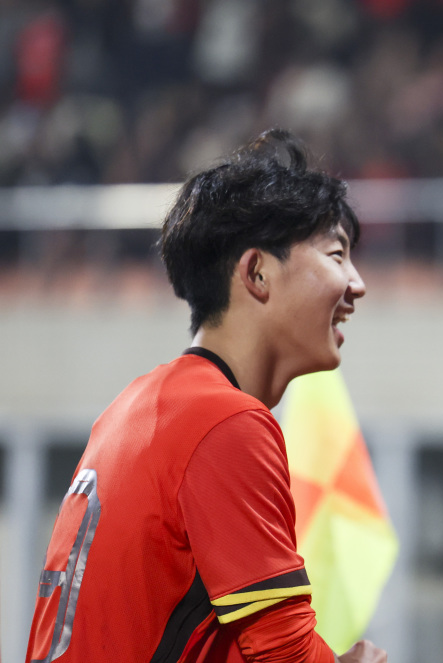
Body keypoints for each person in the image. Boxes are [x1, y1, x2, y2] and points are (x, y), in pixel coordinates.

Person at [25, 129, 387, 663]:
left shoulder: (137, 407)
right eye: (337, 255)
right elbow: (284, 656)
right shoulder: (225, 423)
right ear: (257, 272)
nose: (356, 285)